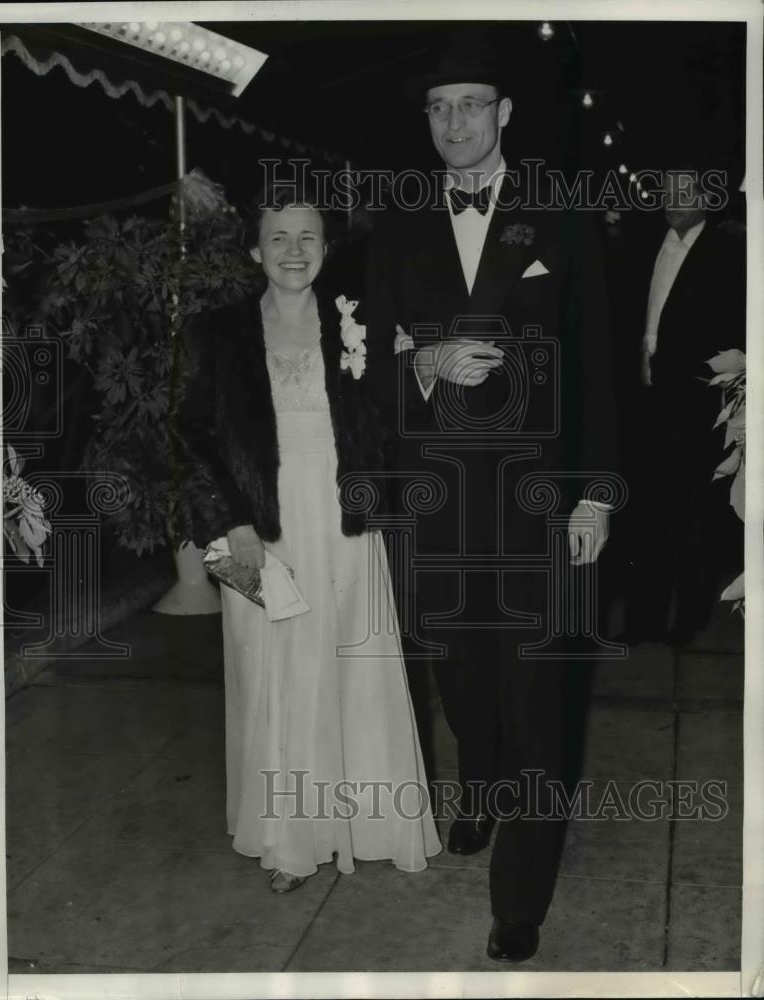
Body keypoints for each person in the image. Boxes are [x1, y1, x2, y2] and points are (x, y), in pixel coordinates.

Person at [366, 33, 618, 961]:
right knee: (461, 678)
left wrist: (594, 497)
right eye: (439, 108)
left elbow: (594, 371)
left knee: (538, 696)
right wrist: (422, 363)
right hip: (437, 508)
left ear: (505, 114)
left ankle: (521, 894)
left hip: (538, 507)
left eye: (473, 104)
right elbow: (371, 380)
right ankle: (479, 787)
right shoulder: (396, 229)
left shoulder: (559, 218)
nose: (455, 123)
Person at [169, 185, 441, 894]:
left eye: (308, 237)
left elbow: (388, 422)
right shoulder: (218, 332)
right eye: (279, 238)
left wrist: (413, 368)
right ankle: (293, 838)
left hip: (343, 524)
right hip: (260, 527)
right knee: (275, 669)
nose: (294, 251)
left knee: (352, 662)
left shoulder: (355, 323)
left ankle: (368, 822)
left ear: (326, 248)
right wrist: (231, 522)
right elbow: (189, 433)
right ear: (256, 250)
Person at [621, 160, 746, 645]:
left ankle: (688, 622)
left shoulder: (728, 252)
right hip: (645, 401)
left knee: (694, 516)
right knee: (646, 512)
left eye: (684, 192)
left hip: (696, 405)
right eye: (667, 191)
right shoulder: (639, 247)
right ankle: (643, 620)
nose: (672, 200)